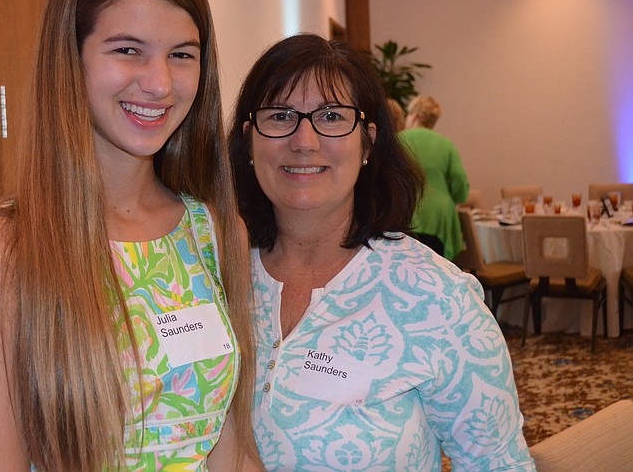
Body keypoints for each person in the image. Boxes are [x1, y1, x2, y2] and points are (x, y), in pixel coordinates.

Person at [0, 0, 260, 471]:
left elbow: (231, 449)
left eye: (182, 55)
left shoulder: (215, 231)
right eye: (128, 50)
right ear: (72, 59)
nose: (159, 83)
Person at [227, 33, 534, 471]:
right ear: (249, 141)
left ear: (367, 142)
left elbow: (497, 465)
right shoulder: (214, 276)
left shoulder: (437, 297)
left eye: (331, 116)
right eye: (280, 116)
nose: (304, 140)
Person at [399, 95, 470, 260]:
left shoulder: (399, 141)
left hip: (408, 212)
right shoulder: (445, 144)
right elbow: (459, 179)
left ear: (414, 116)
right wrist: (457, 198)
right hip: (439, 216)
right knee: (438, 268)